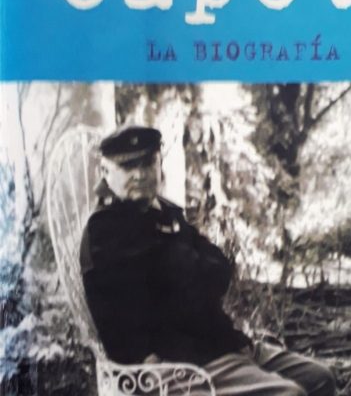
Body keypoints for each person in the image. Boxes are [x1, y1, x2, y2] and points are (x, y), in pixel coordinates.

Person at [79, 126, 336, 396]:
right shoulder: (107, 231)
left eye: (147, 162)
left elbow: (221, 270)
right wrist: (187, 268)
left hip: (221, 343)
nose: (140, 174)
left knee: (319, 378)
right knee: (288, 394)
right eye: (128, 166)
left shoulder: (166, 213)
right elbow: (122, 318)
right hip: (178, 363)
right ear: (106, 172)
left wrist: (185, 269)